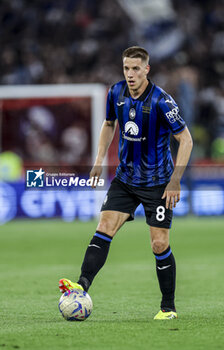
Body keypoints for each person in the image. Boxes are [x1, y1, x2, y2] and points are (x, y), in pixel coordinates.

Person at [59, 46, 193, 320]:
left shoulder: (162, 102)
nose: (130, 74)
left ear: (146, 70)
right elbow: (109, 124)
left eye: (135, 69)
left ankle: (168, 307)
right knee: (104, 226)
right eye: (126, 68)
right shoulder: (116, 93)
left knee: (159, 244)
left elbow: (186, 139)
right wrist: (98, 159)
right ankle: (81, 287)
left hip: (158, 183)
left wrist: (175, 180)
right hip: (126, 178)